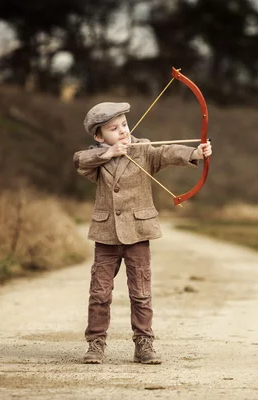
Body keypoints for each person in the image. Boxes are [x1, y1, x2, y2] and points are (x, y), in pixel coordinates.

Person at [74, 102, 212, 364]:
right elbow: (79, 160)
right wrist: (110, 153)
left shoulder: (143, 149)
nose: (123, 131)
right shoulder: (97, 158)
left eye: (124, 125)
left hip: (138, 232)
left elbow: (166, 153)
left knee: (141, 292)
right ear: (98, 136)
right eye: (113, 129)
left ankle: (144, 343)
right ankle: (96, 343)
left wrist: (195, 153)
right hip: (106, 235)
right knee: (100, 293)